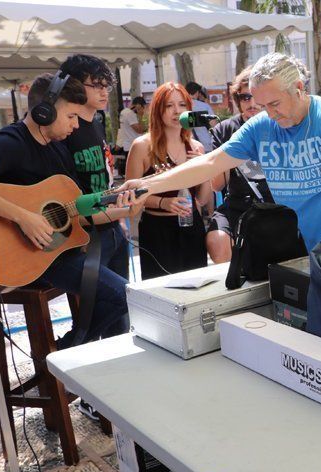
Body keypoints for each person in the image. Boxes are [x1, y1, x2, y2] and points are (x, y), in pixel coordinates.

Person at [0, 73, 131, 415]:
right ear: (44, 111)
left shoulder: (57, 149)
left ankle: (78, 361)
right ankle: (65, 357)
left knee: (120, 279)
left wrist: (123, 207)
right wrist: (22, 216)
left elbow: (73, 212)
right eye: (71, 116)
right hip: (24, 257)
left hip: (57, 251)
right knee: (122, 295)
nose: (76, 125)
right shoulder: (12, 141)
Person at [123, 52, 321, 252]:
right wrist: (147, 185)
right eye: (263, 106)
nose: (270, 113)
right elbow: (211, 162)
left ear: (298, 87)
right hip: (303, 241)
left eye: (275, 103)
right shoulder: (262, 126)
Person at [59, 54, 133, 298]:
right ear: (74, 85)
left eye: (107, 86)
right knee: (98, 311)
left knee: (122, 313)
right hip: (85, 235)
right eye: (97, 85)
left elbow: (106, 178)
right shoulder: (65, 128)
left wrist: (120, 217)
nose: (104, 92)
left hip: (113, 228)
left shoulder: (98, 122)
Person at [125, 82, 212, 279]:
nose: (176, 111)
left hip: (192, 228)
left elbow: (203, 199)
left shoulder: (196, 147)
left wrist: (204, 169)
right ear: (158, 109)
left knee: (197, 289)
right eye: (169, 105)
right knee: (161, 294)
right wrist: (163, 202)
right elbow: (130, 193)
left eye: (182, 105)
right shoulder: (142, 146)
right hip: (157, 231)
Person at [205, 66, 275, 263]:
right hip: (238, 204)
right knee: (217, 240)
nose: (251, 103)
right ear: (237, 100)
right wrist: (227, 154)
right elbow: (216, 185)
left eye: (254, 96)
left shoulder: (278, 123)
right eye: (245, 97)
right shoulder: (225, 130)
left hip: (274, 204)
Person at [185, 81, 216, 151]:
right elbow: (213, 124)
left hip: (189, 146)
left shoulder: (182, 107)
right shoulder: (205, 106)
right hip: (206, 144)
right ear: (196, 92)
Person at [117, 96, 147, 160]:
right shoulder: (130, 114)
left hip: (128, 146)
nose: (143, 110)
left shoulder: (124, 112)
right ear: (138, 105)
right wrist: (140, 116)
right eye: (142, 107)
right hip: (133, 147)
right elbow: (139, 130)